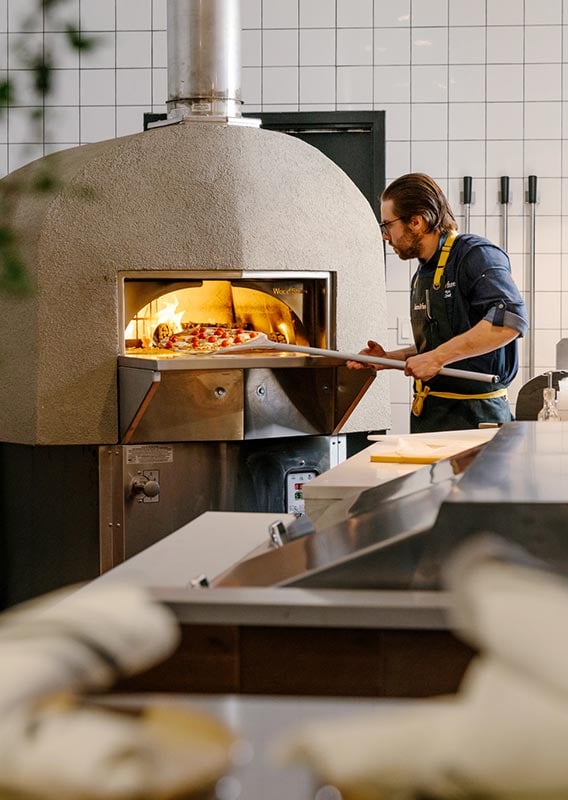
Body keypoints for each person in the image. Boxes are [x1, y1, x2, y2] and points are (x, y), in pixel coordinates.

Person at [348, 173, 528, 433]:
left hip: (476, 419)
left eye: (387, 225)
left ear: (417, 222)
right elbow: (436, 345)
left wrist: (437, 358)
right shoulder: (420, 275)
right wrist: (388, 359)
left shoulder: (475, 255)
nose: (386, 236)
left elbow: (510, 321)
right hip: (431, 415)